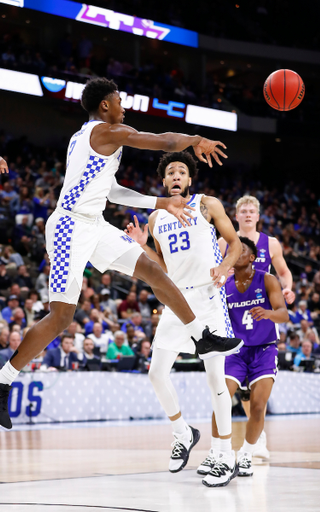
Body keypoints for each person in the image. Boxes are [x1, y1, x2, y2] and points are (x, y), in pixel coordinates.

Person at [0, 77, 241, 431]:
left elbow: (112, 191)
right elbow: (161, 141)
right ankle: (1, 381)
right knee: (61, 317)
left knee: (152, 270)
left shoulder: (92, 141)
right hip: (69, 227)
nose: (124, 106)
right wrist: (195, 140)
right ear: (105, 105)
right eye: (119, 100)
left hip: (93, 223)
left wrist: (162, 202)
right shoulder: (104, 132)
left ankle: (200, 335)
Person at [125, 150, 242, 487]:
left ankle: (224, 455)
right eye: (170, 173)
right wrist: (142, 247)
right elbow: (160, 268)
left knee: (214, 378)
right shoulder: (154, 218)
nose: (175, 177)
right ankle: (182, 432)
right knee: (156, 374)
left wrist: (223, 267)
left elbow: (233, 243)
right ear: (163, 181)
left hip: (207, 296)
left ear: (190, 179)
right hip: (176, 299)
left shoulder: (208, 204)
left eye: (181, 172)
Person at [204, 237, 288, 477]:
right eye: (231, 250)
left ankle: (246, 455)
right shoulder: (224, 285)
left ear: (252, 257)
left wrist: (269, 313)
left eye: (240, 251)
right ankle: (216, 453)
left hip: (264, 350)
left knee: (259, 407)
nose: (234, 253)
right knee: (221, 400)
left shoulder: (267, 279)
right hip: (235, 351)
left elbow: (284, 315)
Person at [218, 194, 295, 457]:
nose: (248, 214)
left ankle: (255, 442)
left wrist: (288, 289)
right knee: (235, 391)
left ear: (258, 216)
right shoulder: (224, 242)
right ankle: (222, 450)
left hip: (260, 318)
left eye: (252, 211)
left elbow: (283, 272)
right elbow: (214, 271)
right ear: (236, 216)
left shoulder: (270, 243)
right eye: (244, 211)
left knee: (254, 393)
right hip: (235, 315)